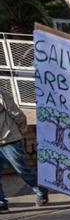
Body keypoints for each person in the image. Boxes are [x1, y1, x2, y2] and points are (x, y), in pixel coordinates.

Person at [0, 81, 48, 211]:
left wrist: (19, 132)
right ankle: (1, 202)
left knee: (22, 170)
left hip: (8, 140)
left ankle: (41, 189)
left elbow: (16, 114)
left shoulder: (1, 94)